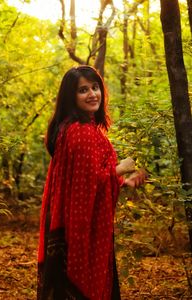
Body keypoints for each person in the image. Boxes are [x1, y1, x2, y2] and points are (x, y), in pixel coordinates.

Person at [37, 65, 146, 300]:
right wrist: (122, 167)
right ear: (71, 97)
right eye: (83, 90)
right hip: (79, 231)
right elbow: (91, 180)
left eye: (95, 87)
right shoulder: (82, 132)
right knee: (85, 287)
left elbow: (83, 181)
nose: (92, 94)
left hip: (65, 225)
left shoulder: (70, 128)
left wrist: (122, 182)